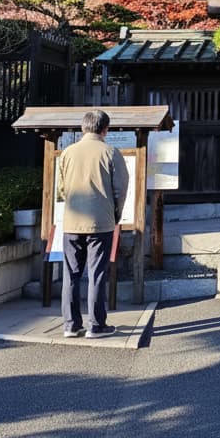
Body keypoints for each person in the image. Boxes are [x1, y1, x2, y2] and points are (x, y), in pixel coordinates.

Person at [57, 109, 128, 338]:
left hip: (71, 222)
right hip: (101, 222)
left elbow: (61, 188)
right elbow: (120, 189)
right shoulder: (111, 152)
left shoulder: (68, 152)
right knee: (96, 273)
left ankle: (71, 325)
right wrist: (116, 214)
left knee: (71, 274)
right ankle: (96, 325)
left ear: (83, 128)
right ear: (105, 129)